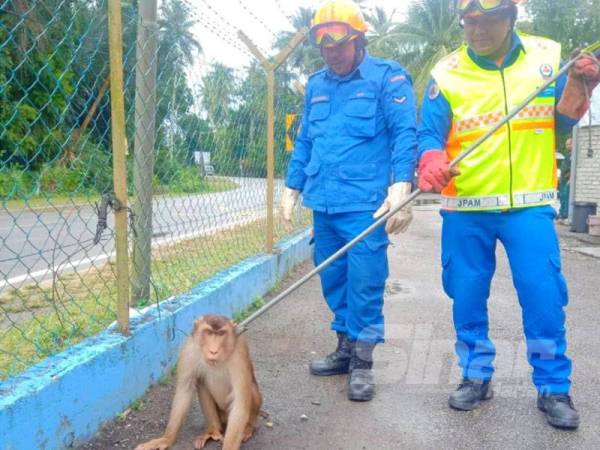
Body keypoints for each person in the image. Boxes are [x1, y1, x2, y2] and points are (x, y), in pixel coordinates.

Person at [417, 0, 599, 429]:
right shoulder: (447, 72)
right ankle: (476, 375)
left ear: (511, 17)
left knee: (543, 296)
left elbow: (564, 121)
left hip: (530, 205)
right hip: (467, 206)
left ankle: (553, 386)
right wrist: (429, 159)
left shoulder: (548, 58)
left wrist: (579, 86)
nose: (476, 31)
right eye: (469, 22)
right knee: (466, 295)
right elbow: (429, 131)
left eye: (487, 21)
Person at [280, 0, 417, 401]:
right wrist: (292, 186)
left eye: (339, 46)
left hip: (364, 205)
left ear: (359, 41)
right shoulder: (317, 86)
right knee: (332, 278)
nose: (332, 54)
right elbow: (306, 139)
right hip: (323, 203)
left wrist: (402, 185)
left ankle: (363, 361)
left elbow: (404, 133)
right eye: (324, 47)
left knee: (365, 281)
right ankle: (343, 346)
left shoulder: (387, 78)